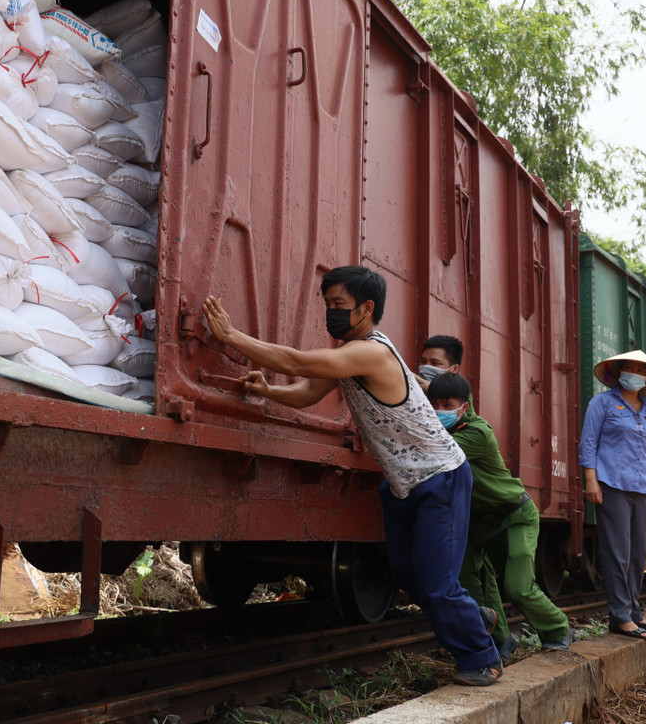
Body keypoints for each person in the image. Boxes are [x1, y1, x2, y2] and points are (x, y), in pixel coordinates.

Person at [203, 266, 502, 686]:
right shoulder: (350, 354)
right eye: (327, 305)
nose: (331, 313)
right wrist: (267, 391)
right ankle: (474, 616)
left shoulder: (372, 352)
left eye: (338, 305)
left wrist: (231, 337)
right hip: (403, 484)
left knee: (437, 584)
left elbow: (296, 361)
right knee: (407, 576)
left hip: (440, 478)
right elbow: (307, 391)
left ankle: (481, 658)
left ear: (366, 309)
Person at [427, 372, 574, 659]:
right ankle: (501, 641)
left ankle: (558, 629)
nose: (439, 411)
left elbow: (434, 450)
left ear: (464, 406)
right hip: (477, 522)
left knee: (517, 588)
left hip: (514, 515)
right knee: (473, 585)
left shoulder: (476, 433)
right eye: (433, 404)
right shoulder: (451, 423)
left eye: (447, 404)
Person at [579, 350, 646, 639]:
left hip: (644, 490)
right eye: (628, 367)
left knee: (637, 556)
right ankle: (620, 617)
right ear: (619, 372)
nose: (633, 372)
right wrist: (591, 481)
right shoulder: (603, 403)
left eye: (639, 369)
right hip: (612, 486)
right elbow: (588, 442)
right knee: (617, 553)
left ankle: (634, 614)